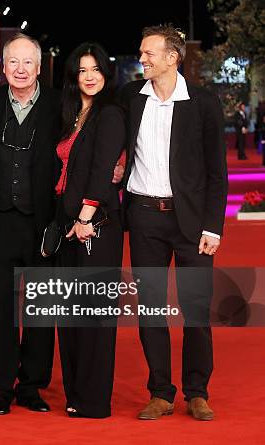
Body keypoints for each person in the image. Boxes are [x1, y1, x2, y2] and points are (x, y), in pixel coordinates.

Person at [120, 25, 228, 421]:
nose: (142, 58)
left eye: (149, 53)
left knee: (196, 310)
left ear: (172, 57)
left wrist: (213, 228)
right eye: (141, 52)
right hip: (144, 217)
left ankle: (197, 392)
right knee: (150, 310)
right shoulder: (131, 97)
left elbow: (218, 172)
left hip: (192, 223)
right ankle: (161, 392)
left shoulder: (202, 102)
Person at [0, 33, 61, 415]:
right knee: (2, 308)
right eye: (13, 62)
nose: (21, 69)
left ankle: (32, 386)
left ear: (39, 68)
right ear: (3, 67)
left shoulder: (60, 105)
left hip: (43, 223)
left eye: (28, 63)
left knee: (41, 309)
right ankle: (1, 387)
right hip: (0, 223)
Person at [53, 42, 125, 418]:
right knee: (70, 314)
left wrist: (85, 217)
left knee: (95, 315)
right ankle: (75, 394)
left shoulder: (110, 114)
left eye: (96, 68)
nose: (90, 76)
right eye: (83, 70)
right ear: (73, 76)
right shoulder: (71, 114)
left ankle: (95, 400)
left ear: (106, 73)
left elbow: (102, 170)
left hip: (96, 226)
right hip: (70, 227)